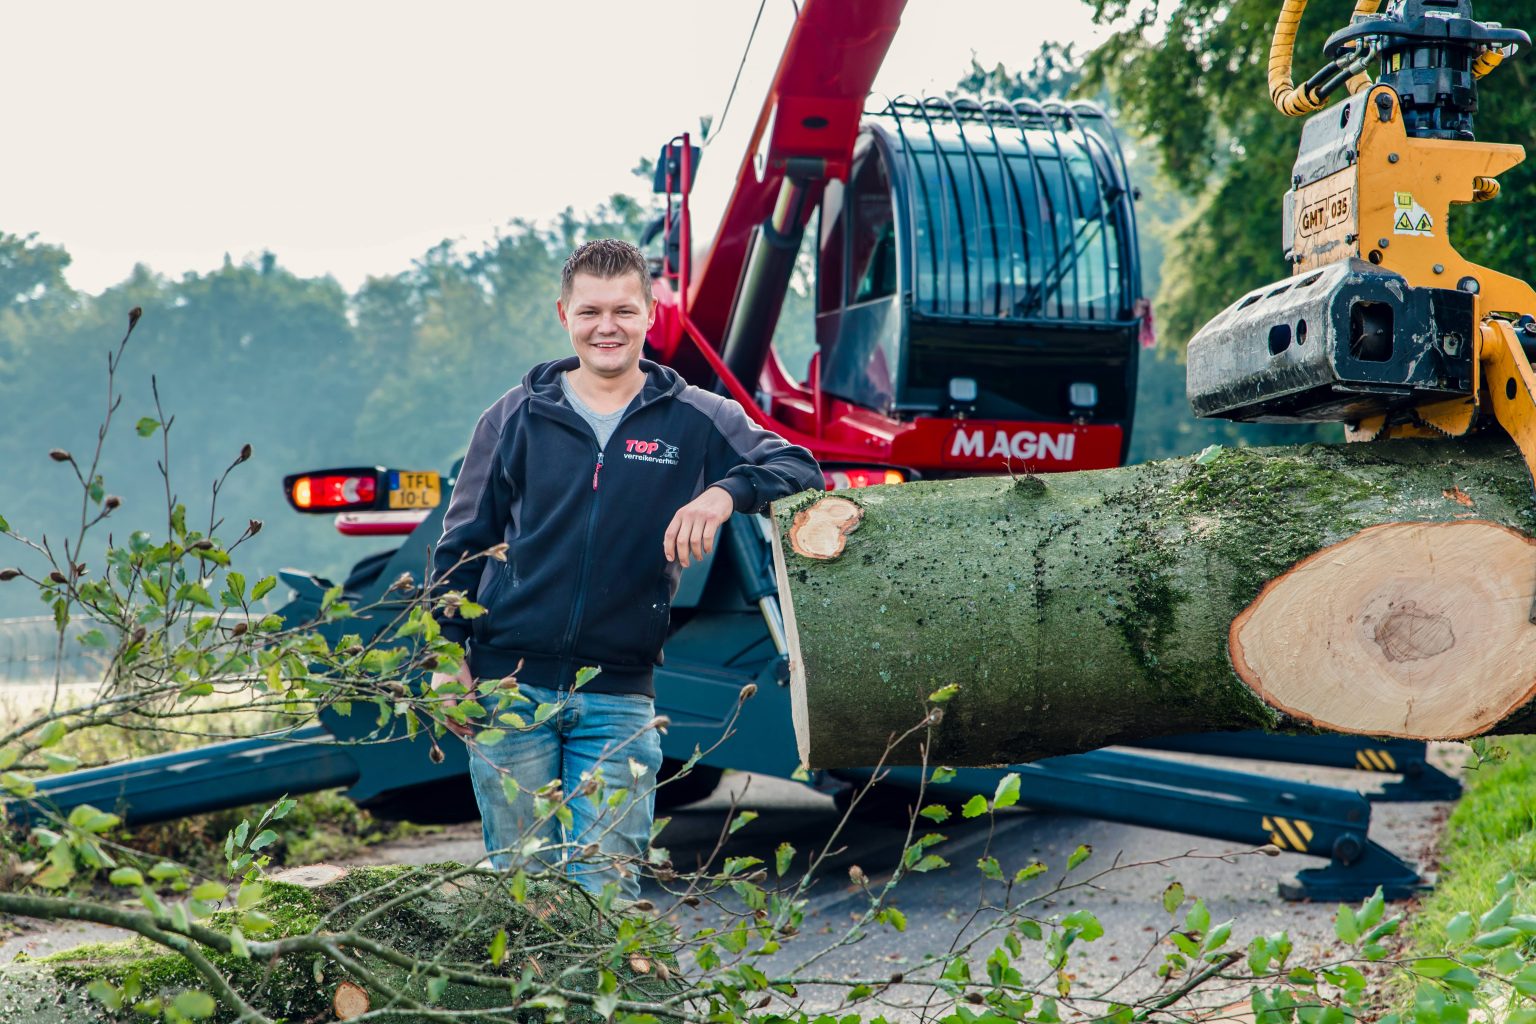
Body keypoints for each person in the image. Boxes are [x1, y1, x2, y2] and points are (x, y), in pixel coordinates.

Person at [427, 238, 823, 900]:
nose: (605, 327)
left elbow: (799, 467)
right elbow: (461, 543)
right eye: (589, 312)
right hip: (508, 693)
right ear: (564, 315)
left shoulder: (696, 417)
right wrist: (444, 654)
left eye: (622, 311)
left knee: (606, 897)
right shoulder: (513, 417)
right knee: (525, 898)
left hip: (618, 699)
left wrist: (723, 493)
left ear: (650, 314)